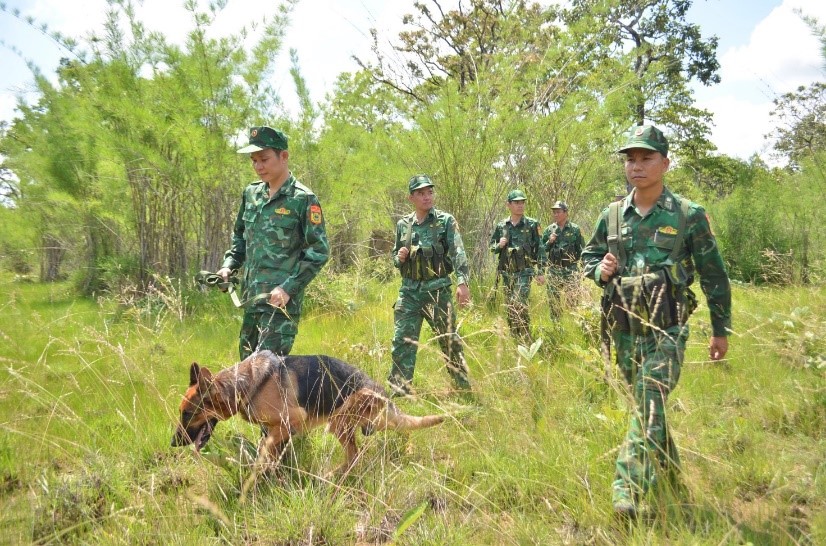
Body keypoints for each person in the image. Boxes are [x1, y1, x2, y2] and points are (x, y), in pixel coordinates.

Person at [581, 124, 732, 518]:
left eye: (647, 158)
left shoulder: (689, 215)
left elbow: (714, 274)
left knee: (650, 399)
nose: (637, 166)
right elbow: (588, 258)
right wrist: (602, 270)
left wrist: (720, 330)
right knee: (648, 408)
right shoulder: (612, 215)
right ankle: (673, 482)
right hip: (625, 328)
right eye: (631, 159)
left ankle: (625, 490)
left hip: (669, 328)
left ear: (665, 162)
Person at [218, 126, 330, 360]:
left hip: (280, 306)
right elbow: (240, 237)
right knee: (246, 374)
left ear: (284, 156)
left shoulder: (303, 199)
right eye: (254, 160)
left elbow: (319, 251)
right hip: (251, 300)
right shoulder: (251, 194)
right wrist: (229, 266)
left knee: (267, 375)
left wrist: (288, 288)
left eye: (264, 159)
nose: (259, 166)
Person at [388, 174, 472, 397]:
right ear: (411, 198)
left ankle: (463, 389)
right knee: (402, 342)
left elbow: (458, 252)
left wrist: (462, 282)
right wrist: (400, 257)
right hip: (409, 292)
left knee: (449, 340)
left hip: (437, 291)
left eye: (429, 192)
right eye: (421, 193)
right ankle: (400, 393)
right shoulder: (403, 225)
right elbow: (395, 259)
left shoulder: (445, 221)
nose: (427, 197)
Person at [489, 189, 546, 341]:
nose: (520, 205)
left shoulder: (532, 224)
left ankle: (526, 336)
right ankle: (516, 337)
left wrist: (540, 271)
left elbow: (540, 248)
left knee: (518, 302)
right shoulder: (502, 225)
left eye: (522, 202)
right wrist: (499, 245)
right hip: (507, 273)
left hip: (525, 272)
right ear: (508, 204)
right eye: (516, 203)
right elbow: (491, 246)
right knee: (510, 306)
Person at [540, 201, 584, 319]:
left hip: (571, 269)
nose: (556, 214)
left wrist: (583, 268)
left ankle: (574, 323)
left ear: (565, 213)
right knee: (554, 300)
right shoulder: (549, 230)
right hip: (554, 269)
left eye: (558, 212)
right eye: (554, 212)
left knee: (573, 300)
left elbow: (582, 249)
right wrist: (549, 241)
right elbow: (542, 250)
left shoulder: (575, 229)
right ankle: (556, 326)